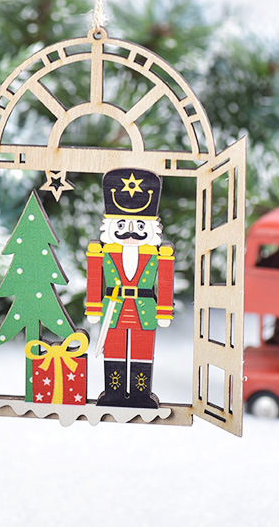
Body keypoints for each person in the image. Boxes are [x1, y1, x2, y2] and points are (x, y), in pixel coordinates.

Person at [85, 168, 174, 408]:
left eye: (139, 227)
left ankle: (139, 395)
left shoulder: (158, 254)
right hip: (113, 309)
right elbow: (95, 278)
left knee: (142, 353)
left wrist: (164, 310)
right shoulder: (102, 252)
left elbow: (165, 281)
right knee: (113, 351)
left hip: (144, 309)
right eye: (123, 225)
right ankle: (113, 393)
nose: (130, 233)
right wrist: (93, 307)